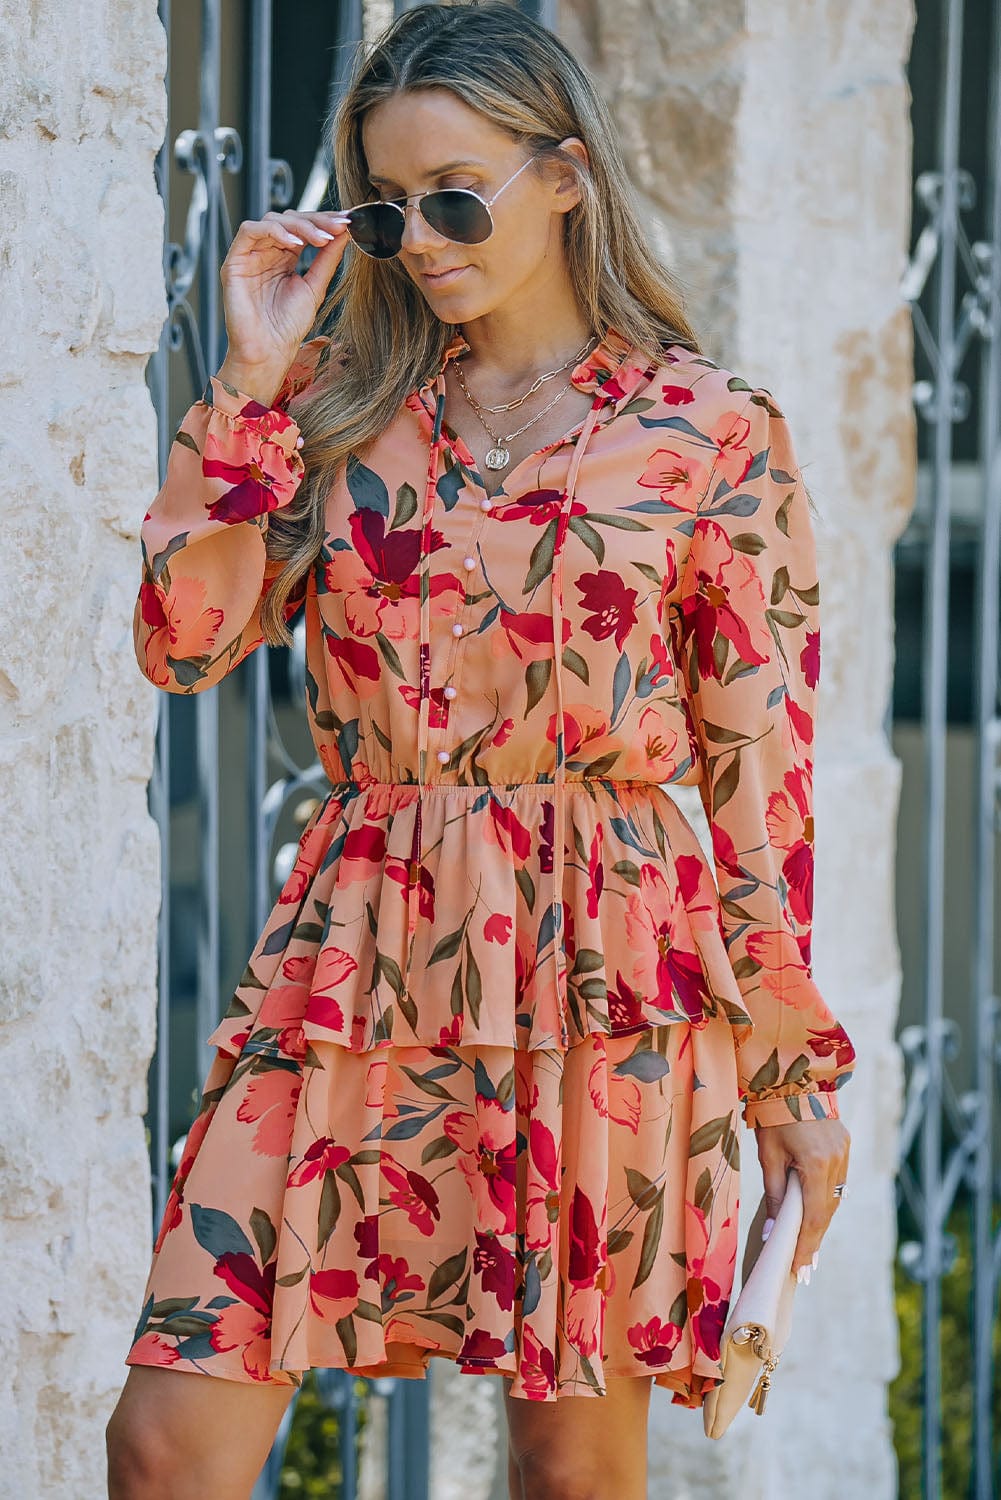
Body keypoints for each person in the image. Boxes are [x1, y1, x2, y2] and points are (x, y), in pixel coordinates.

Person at [106, 3, 855, 1496]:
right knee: (167, 1441)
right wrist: (250, 388)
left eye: (456, 197)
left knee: (571, 1466)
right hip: (357, 950)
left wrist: (788, 1069)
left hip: (608, 958)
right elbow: (184, 644)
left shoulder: (707, 433)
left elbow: (756, 770)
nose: (424, 241)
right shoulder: (342, 415)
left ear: (567, 175)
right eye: (388, 211)